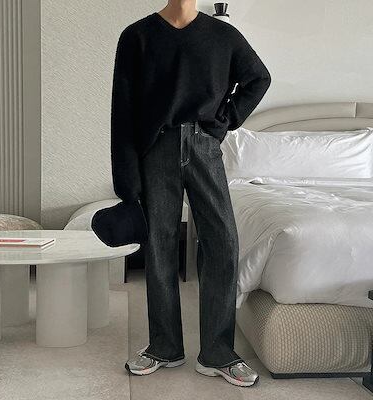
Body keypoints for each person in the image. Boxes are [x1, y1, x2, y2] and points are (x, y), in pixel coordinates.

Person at [110, 0, 271, 387]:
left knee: (223, 241)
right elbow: (123, 110)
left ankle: (217, 352)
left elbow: (258, 78)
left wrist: (226, 119)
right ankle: (164, 346)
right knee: (160, 244)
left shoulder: (223, 36)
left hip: (204, 146)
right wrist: (126, 179)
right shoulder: (137, 36)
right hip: (156, 149)